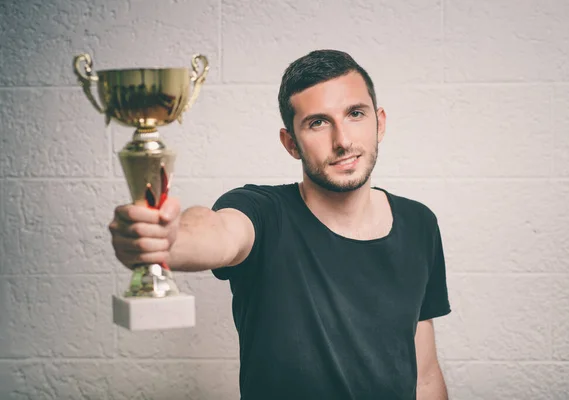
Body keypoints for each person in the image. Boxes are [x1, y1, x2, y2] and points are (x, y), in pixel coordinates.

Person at [109, 49, 451, 400]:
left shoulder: (419, 223)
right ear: (291, 144)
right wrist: (166, 238)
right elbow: (217, 231)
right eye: (317, 122)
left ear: (379, 122)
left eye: (355, 114)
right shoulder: (263, 212)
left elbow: (424, 375)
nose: (342, 140)